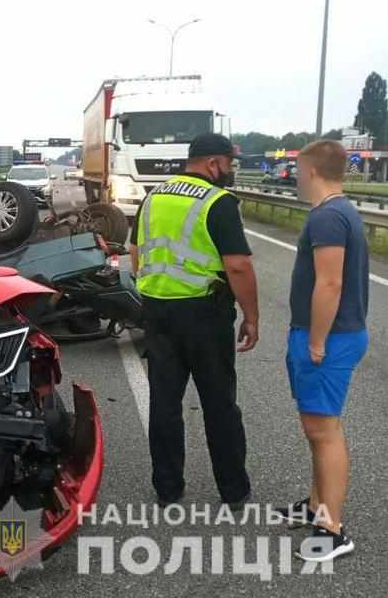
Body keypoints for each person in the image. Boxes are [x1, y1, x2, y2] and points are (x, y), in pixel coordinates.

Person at [129, 133, 259, 508]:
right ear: (213, 164)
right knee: (219, 403)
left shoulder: (153, 197)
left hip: (157, 311)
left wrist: (154, 290)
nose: (230, 172)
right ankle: (234, 491)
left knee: (165, 403)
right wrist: (251, 317)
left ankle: (167, 489)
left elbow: (136, 253)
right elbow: (237, 265)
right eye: (229, 165)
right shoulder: (217, 202)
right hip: (205, 315)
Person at [274, 140, 368, 562]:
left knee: (324, 432)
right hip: (327, 335)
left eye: (298, 169)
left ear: (311, 170)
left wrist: (315, 340)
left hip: (329, 338)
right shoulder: (337, 210)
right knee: (315, 427)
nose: (295, 176)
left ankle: (332, 529)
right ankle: (315, 507)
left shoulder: (329, 216)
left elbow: (330, 284)